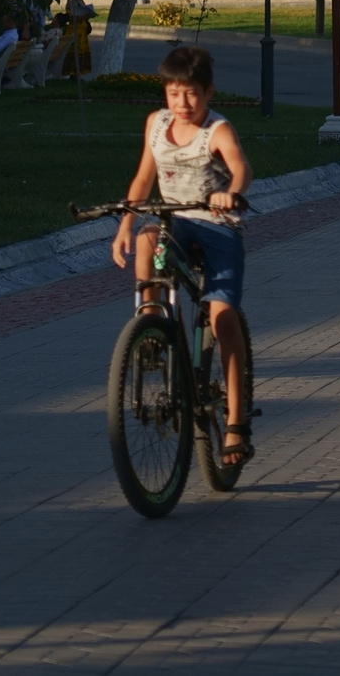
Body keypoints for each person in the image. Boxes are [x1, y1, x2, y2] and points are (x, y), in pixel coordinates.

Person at [110, 44, 252, 471]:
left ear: (208, 93)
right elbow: (143, 176)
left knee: (222, 317)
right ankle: (151, 327)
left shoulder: (218, 130)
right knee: (147, 240)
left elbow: (241, 168)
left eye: (191, 93)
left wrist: (232, 192)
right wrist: (123, 226)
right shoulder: (156, 124)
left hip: (217, 227)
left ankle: (235, 420)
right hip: (173, 220)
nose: (182, 103)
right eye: (174, 93)